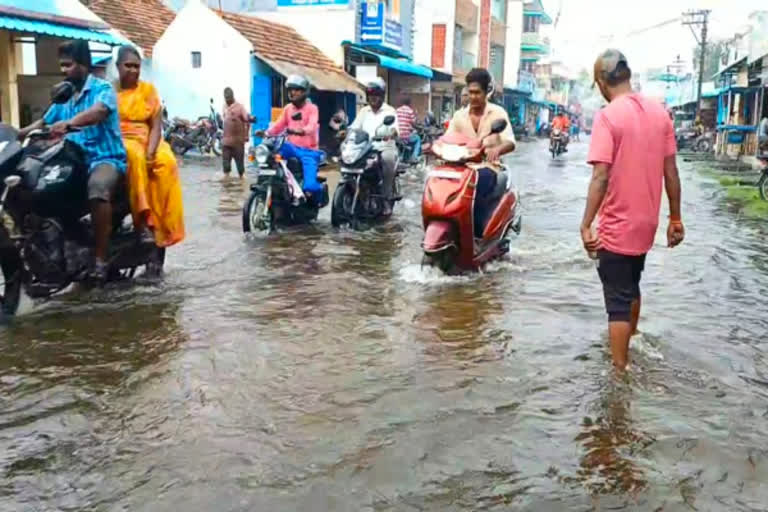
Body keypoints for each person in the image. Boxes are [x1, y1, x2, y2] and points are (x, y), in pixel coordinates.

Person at [580, 49, 684, 372]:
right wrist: (675, 218)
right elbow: (671, 172)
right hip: (646, 225)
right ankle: (632, 339)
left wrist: (586, 225)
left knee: (617, 303)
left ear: (601, 82)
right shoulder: (660, 113)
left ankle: (619, 373)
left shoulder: (608, 116)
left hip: (617, 225)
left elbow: (600, 175)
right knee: (631, 283)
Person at [18, 40, 126, 283]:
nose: (64, 70)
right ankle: (56, 246)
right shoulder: (64, 95)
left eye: (68, 65)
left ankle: (100, 257)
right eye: (62, 66)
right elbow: (42, 123)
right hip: (71, 161)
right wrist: (16, 133)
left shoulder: (102, 88)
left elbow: (99, 112)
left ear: (83, 65)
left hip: (103, 157)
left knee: (97, 189)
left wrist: (71, 123)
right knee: (38, 190)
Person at [114, 45, 185, 261]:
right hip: (123, 139)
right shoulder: (109, 92)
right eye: (128, 66)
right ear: (118, 67)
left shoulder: (148, 91)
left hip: (148, 138)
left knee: (167, 162)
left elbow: (155, 126)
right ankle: (144, 220)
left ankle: (166, 224)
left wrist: (152, 151)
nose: (133, 71)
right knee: (135, 157)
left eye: (137, 67)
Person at [445, 68, 516, 236]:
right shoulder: (459, 116)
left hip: (489, 167)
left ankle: (477, 232)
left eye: (477, 92)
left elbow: (510, 142)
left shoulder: (498, 113)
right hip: (462, 167)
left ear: (486, 92)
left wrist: (497, 149)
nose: (473, 97)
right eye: (470, 92)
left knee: (480, 182)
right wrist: (434, 147)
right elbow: (447, 138)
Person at [257, 75, 323, 198]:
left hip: (308, 151)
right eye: (291, 89)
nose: (293, 92)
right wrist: (266, 133)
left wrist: (301, 131)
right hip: (291, 147)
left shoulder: (312, 108)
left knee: (310, 186)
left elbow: (312, 126)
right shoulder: (288, 108)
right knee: (271, 156)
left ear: (304, 92)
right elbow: (278, 126)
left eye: (297, 89)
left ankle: (318, 193)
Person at [348, 77, 399, 215]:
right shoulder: (364, 111)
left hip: (384, 146)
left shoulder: (389, 111)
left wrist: (391, 133)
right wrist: (344, 132)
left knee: (388, 160)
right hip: (365, 148)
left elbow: (394, 129)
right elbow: (354, 127)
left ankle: (386, 199)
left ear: (382, 96)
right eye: (370, 95)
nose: (373, 98)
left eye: (376, 95)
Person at [221, 87, 255, 177]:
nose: (227, 100)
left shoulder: (240, 107)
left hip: (238, 143)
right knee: (226, 167)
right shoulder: (224, 106)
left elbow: (247, 119)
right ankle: (227, 186)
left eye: (229, 98)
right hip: (226, 142)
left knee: (240, 169)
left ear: (233, 96)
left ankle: (241, 182)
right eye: (226, 98)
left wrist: (247, 135)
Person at [396, 97, 421, 163]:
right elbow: (414, 122)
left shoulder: (397, 110)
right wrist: (418, 127)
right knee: (417, 139)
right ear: (409, 103)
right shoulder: (410, 111)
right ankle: (414, 157)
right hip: (406, 136)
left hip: (398, 136)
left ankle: (406, 157)